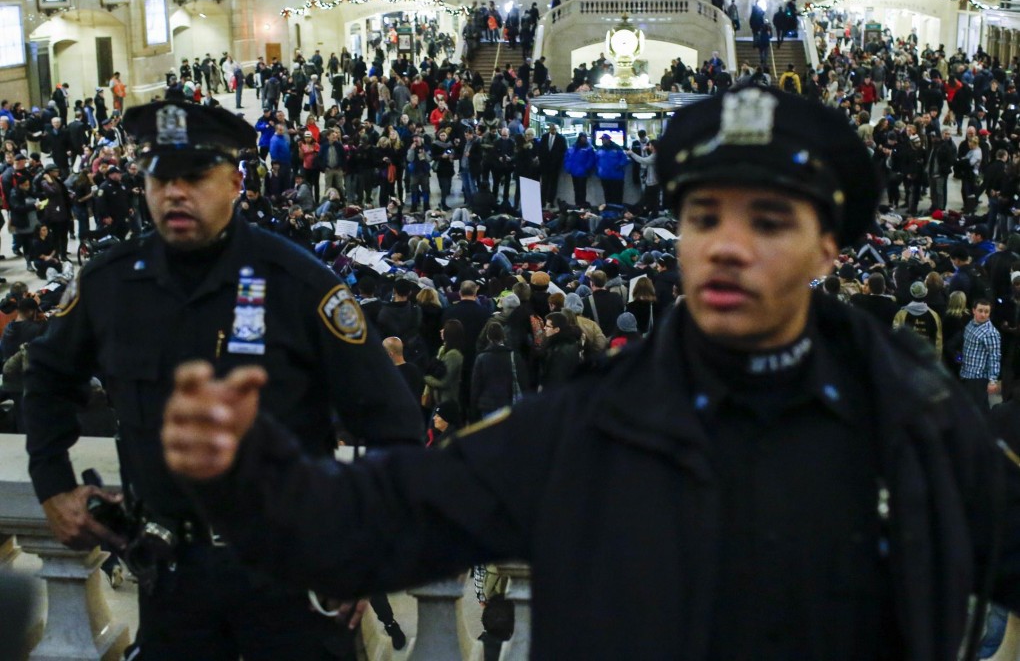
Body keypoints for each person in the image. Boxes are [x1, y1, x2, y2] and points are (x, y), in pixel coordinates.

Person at [163, 86, 1020, 659]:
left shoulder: (919, 422)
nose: (726, 244)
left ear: (828, 247)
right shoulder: (591, 422)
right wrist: (244, 474)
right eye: (703, 215)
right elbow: (380, 522)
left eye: (768, 220)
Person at [25, 100, 423, 660]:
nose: (175, 193)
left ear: (235, 181)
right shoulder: (110, 285)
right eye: (160, 178)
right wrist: (52, 485)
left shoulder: (299, 285)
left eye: (194, 176)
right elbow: (46, 378)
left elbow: (394, 426)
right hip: (170, 576)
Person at [960, 298, 1002, 412]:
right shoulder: (970, 324)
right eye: (980, 310)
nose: (983, 314)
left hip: (978, 378)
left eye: (986, 311)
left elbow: (995, 357)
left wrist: (992, 380)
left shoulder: (991, 333)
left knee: (975, 410)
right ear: (974, 310)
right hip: (965, 373)